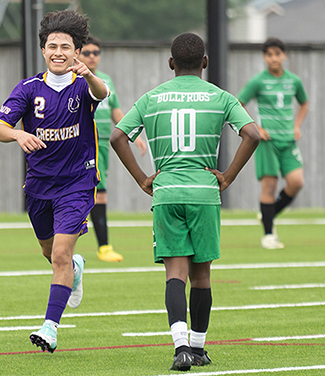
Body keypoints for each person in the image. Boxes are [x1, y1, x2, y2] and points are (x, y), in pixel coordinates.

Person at [110, 33, 259, 371]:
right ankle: (199, 347)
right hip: (205, 193)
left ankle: (180, 349)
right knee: (201, 275)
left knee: (174, 273)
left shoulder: (151, 98)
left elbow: (118, 136)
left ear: (171, 64)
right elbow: (251, 134)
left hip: (166, 193)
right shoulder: (221, 98)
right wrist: (228, 176)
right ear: (204, 62)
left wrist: (142, 178)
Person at [0, 9, 109, 354]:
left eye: (66, 47)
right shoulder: (28, 88)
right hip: (40, 184)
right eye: (52, 46)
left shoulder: (83, 84)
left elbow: (102, 94)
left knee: (59, 252)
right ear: (43, 51)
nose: (58, 52)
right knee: (50, 252)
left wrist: (89, 76)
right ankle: (75, 269)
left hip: (77, 180)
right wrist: (17, 135)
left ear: (77, 52)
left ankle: (50, 327)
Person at [77, 36, 147, 262]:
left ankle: (102, 246)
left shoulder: (105, 80)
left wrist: (133, 134)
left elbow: (116, 110)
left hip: (103, 145)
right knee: (95, 192)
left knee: (98, 192)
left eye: (96, 52)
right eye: (87, 52)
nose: (92, 57)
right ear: (77, 54)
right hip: (82, 143)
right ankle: (103, 246)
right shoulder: (74, 78)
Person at [236, 38, 308, 250]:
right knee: (269, 186)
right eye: (269, 54)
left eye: (277, 54)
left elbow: (304, 103)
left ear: (284, 55)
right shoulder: (258, 81)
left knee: (297, 182)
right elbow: (238, 103)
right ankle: (268, 235)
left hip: (288, 140)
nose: (274, 58)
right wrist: (256, 127)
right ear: (264, 57)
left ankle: (268, 213)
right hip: (268, 142)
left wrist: (297, 125)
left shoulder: (293, 81)